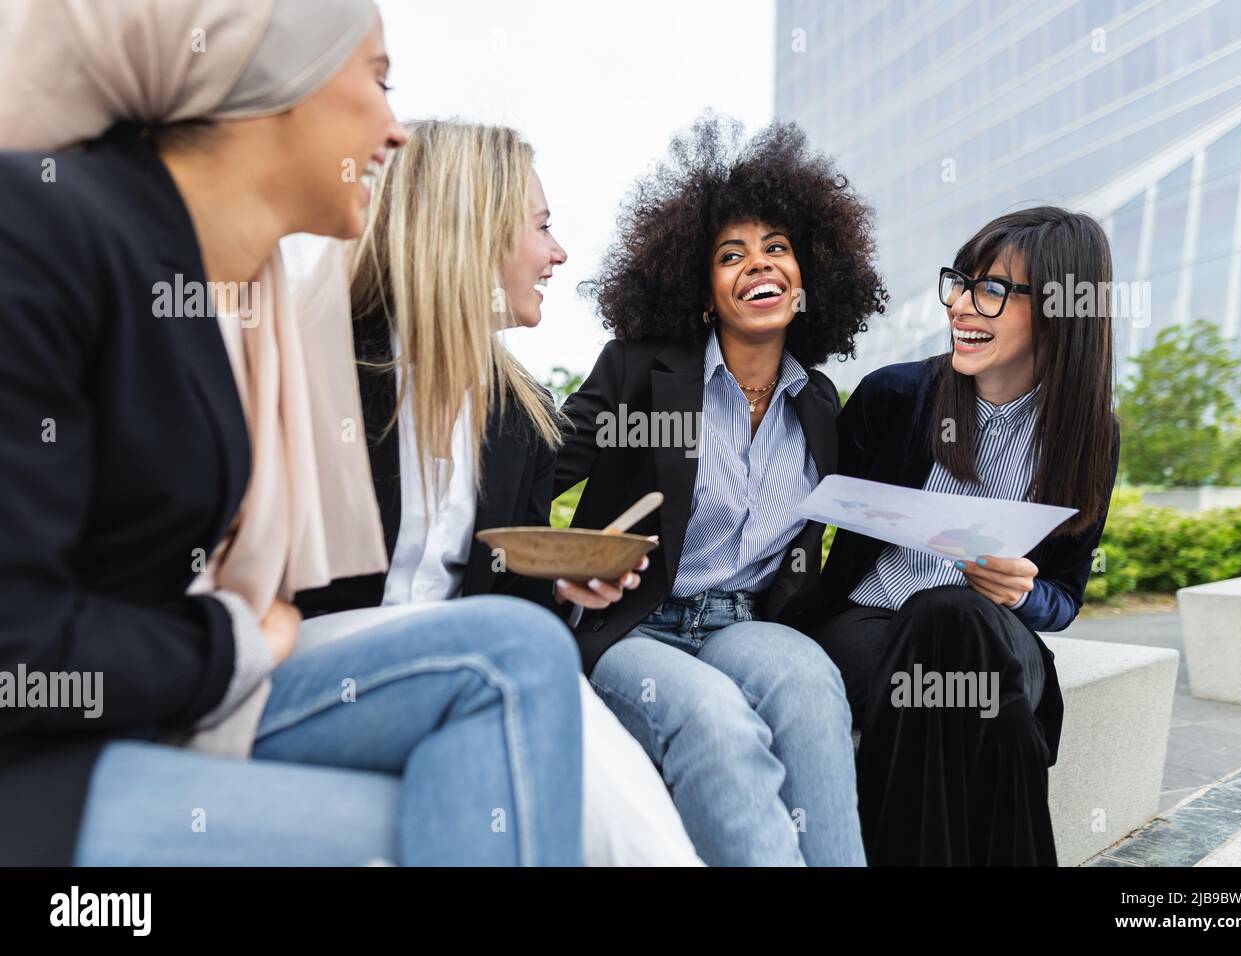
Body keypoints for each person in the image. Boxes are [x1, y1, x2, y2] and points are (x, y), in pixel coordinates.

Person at [0, 0, 583, 867]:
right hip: (46, 767)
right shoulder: (41, 232)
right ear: (276, 85)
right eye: (379, 81)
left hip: (159, 707)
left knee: (495, 733)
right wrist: (227, 642)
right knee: (482, 761)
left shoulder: (237, 300)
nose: (395, 134)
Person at [294, 119, 702, 866]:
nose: (559, 254)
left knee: (636, 831)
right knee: (521, 665)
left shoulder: (523, 418)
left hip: (472, 673)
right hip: (320, 667)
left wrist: (567, 585)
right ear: (472, 228)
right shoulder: (317, 363)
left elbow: (512, 602)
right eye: (543, 227)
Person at [555, 115, 888, 866]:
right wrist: (552, 571)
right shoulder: (641, 369)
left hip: (744, 623)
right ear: (702, 290)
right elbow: (538, 471)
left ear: (808, 277)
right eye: (730, 255)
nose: (758, 265)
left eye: (777, 249)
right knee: (715, 720)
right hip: (633, 628)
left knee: (809, 686)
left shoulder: (819, 403)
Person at [817, 207, 1120, 866]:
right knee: (997, 711)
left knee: (955, 612)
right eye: (960, 282)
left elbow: (1062, 602)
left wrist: (1022, 595)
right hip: (874, 628)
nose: (960, 305)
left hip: (999, 638)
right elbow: (803, 512)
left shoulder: (1088, 434)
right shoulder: (894, 396)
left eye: (990, 291)